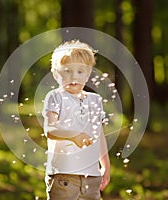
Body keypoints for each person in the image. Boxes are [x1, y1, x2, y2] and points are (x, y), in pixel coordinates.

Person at [42, 40, 110, 200]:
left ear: (88, 74)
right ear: (56, 73)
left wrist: (105, 164)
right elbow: (50, 130)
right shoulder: (55, 97)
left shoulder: (95, 100)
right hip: (63, 176)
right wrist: (73, 134)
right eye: (67, 71)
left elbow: (99, 134)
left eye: (80, 71)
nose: (74, 76)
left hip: (91, 176)